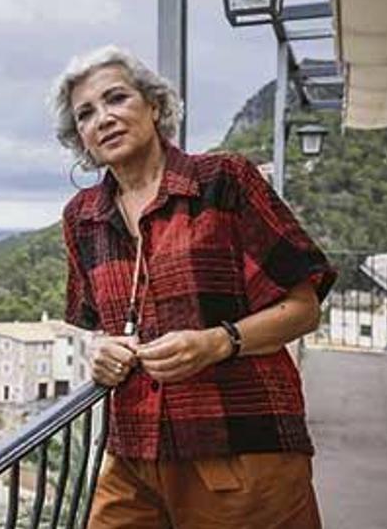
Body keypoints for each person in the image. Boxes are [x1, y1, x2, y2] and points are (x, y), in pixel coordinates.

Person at [53, 46, 335, 528]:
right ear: (80, 138)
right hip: (132, 453)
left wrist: (216, 343)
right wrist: (100, 350)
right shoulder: (82, 218)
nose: (103, 118)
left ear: (155, 106)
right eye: (86, 113)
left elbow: (303, 308)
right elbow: (98, 326)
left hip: (239, 445)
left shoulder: (224, 180)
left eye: (116, 98)